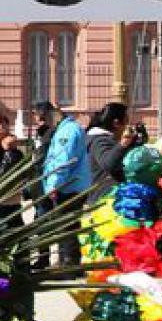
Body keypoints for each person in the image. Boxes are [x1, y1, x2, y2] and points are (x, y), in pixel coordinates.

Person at [33, 101, 93, 264]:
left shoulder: (67, 132)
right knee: (69, 225)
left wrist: (53, 185)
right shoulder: (66, 129)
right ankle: (68, 262)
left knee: (66, 226)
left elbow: (62, 160)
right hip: (70, 184)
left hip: (68, 186)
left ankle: (68, 263)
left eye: (44, 119)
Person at [87, 103, 131, 186]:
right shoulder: (99, 141)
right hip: (103, 196)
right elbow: (108, 164)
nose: (127, 127)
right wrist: (123, 144)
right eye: (126, 122)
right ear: (116, 123)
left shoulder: (111, 139)